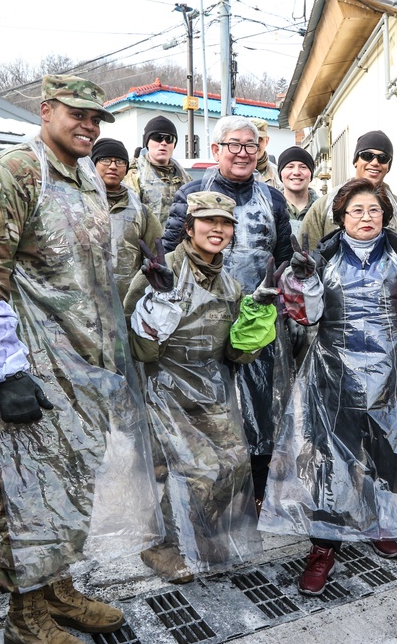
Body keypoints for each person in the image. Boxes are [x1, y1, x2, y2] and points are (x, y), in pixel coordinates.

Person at [0, 74, 161, 644]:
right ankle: (26, 615)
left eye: (97, 118)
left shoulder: (89, 177)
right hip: (35, 372)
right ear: (46, 110)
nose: (89, 125)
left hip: (85, 369)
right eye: (78, 114)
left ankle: (58, 589)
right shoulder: (10, 174)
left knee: (71, 485)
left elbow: (90, 279)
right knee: (28, 492)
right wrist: (6, 373)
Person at [261, 178, 397, 597]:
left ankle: (381, 522)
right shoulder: (321, 256)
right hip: (334, 374)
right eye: (356, 211)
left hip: (396, 373)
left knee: (387, 452)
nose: (366, 218)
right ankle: (324, 546)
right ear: (341, 217)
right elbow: (306, 317)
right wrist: (304, 280)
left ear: (385, 214)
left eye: (374, 210)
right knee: (330, 460)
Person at [124, 191, 280, 582]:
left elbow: (235, 354)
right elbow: (137, 349)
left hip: (209, 390)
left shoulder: (230, 286)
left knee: (232, 465)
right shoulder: (160, 271)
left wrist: (257, 314)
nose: (218, 229)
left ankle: (198, 530)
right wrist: (156, 297)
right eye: (208, 221)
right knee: (166, 471)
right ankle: (159, 545)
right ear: (190, 228)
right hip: (159, 390)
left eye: (226, 223)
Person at [162, 115, 293, 511]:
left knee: (261, 406)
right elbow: (169, 255)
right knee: (206, 407)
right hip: (201, 322)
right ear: (216, 149)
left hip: (258, 319)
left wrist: (278, 291)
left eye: (250, 146)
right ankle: (207, 492)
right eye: (233, 145)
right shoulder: (191, 192)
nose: (242, 153)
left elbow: (284, 254)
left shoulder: (272, 198)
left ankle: (257, 486)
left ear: (260, 151)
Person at [298, 130, 397, 253]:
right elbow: (306, 257)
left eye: (383, 158)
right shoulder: (322, 208)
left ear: (388, 166)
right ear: (356, 161)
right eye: (367, 156)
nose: (375, 163)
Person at [91, 137, 162, 300]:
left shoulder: (141, 211)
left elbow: (156, 258)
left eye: (120, 161)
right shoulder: (77, 204)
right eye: (106, 160)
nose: (113, 166)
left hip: (126, 305)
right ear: (93, 163)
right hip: (83, 305)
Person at [124, 115, 191, 226]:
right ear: (147, 142)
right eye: (157, 137)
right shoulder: (134, 175)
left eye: (169, 139)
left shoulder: (185, 178)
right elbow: (128, 219)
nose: (163, 143)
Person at [278, 146, 320, 236]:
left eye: (303, 167)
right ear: (281, 173)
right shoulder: (271, 208)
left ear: (311, 174)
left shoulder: (322, 209)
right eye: (290, 167)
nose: (296, 172)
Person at [249, 117, 280, 189]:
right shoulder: (233, 171)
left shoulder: (278, 175)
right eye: (251, 140)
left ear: (267, 141)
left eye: (259, 139)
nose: (255, 144)